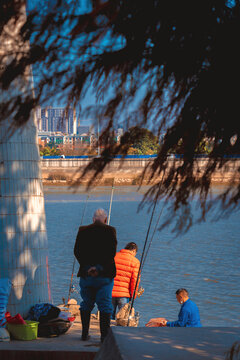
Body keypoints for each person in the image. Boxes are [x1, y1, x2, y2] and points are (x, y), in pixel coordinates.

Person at [74, 208, 117, 342]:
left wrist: (88, 268)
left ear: (93, 219)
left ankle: (84, 334)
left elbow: (77, 251)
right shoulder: (110, 230)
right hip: (104, 275)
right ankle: (104, 337)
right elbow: (111, 253)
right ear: (105, 219)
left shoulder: (82, 230)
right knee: (104, 305)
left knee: (86, 303)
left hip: (86, 275)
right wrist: (98, 268)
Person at [112, 242, 140, 319]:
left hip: (110, 291)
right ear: (134, 251)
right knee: (123, 319)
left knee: (108, 318)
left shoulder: (114, 256)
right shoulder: (135, 262)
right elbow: (135, 280)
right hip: (124, 294)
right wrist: (133, 294)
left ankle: (107, 330)